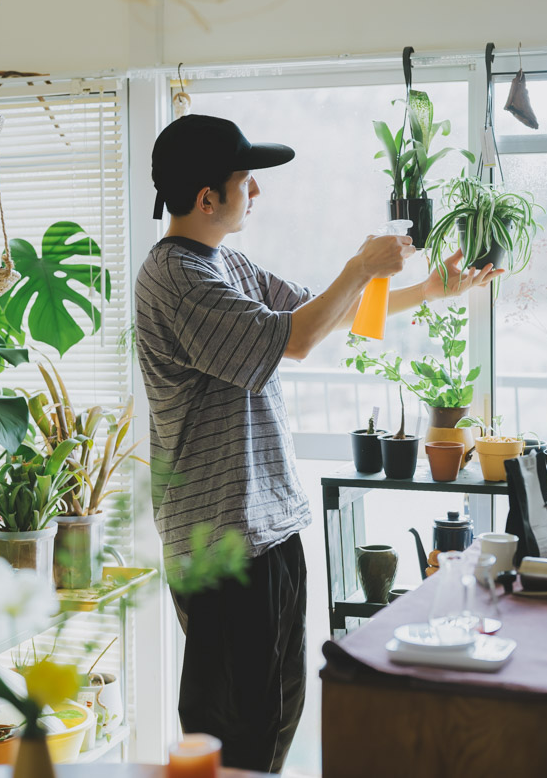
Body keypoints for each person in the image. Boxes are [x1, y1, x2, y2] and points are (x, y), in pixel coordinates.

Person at [133, 114, 501, 772]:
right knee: (232, 730)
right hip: (221, 542)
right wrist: (359, 264)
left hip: (263, 529)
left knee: (274, 713)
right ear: (208, 197)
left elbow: (327, 313)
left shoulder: (226, 263)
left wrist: (433, 288)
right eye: (246, 179)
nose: (257, 192)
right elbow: (295, 340)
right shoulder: (175, 278)